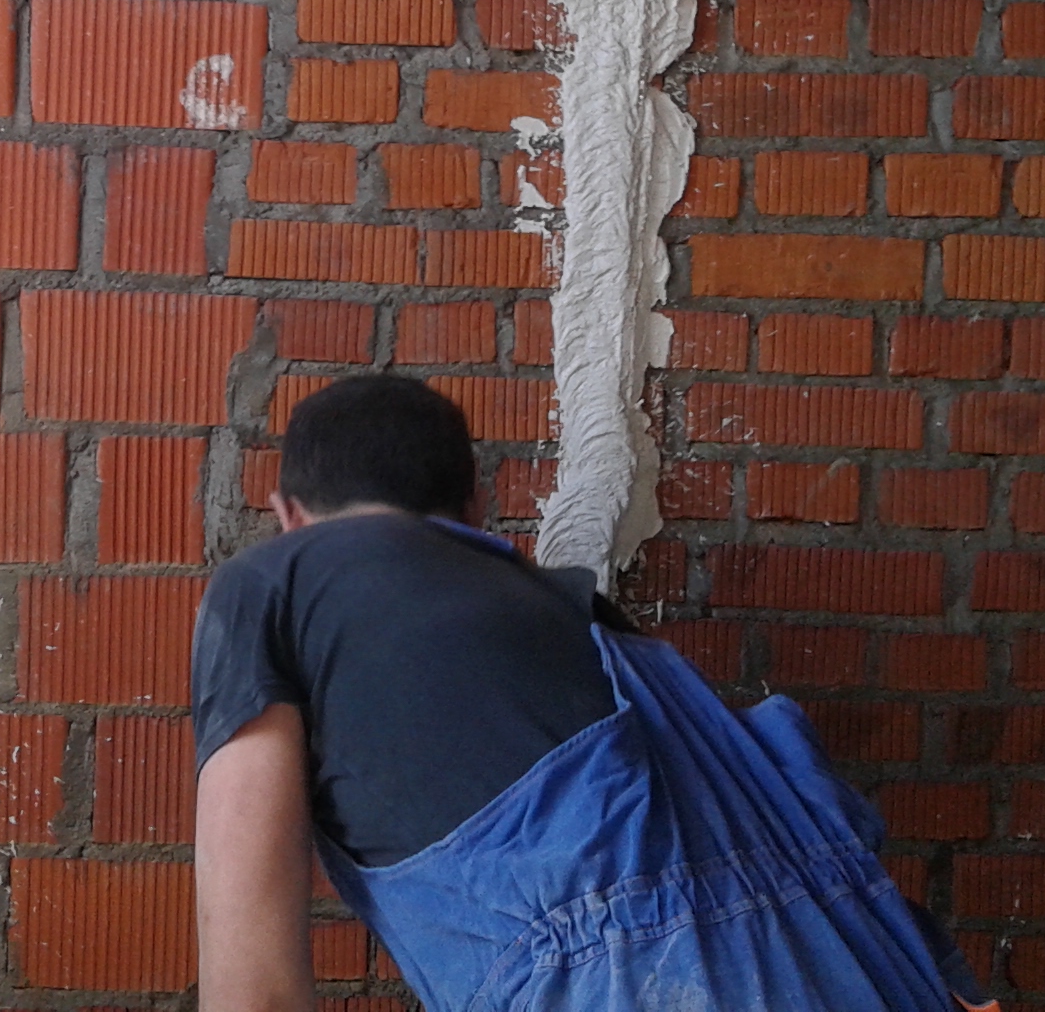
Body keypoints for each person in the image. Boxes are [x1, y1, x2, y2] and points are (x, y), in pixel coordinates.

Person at [190, 375, 997, 1012]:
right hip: (871, 970)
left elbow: (252, 987)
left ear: (289, 516)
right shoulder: (596, 623)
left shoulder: (272, 584)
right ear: (475, 510)